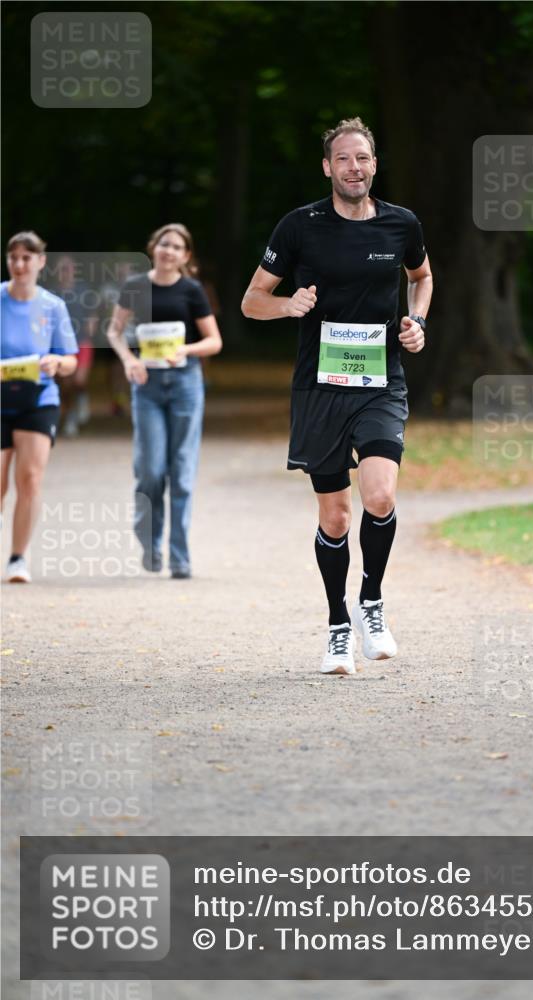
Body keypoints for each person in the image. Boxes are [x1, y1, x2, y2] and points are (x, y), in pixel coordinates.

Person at [241, 117, 432, 675]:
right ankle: (337, 625)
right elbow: (253, 300)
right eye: (343, 159)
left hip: (380, 381)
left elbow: (422, 277)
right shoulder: (299, 227)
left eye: (363, 158)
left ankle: (371, 602)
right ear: (328, 167)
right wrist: (288, 305)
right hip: (320, 386)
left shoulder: (402, 224)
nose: (354, 168)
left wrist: (416, 320)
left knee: (379, 497)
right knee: (336, 517)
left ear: (375, 164)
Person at [106, 223, 222, 578]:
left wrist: (185, 350)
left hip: (186, 384)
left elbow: (213, 341)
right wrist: (129, 360)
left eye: (176, 247)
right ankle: (150, 542)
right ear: (153, 248)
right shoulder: (135, 287)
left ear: (185, 256)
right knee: (151, 472)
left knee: (182, 473)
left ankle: (179, 556)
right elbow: (113, 331)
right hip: (148, 387)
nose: (168, 251)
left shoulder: (192, 290)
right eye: (163, 244)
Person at [1, 231, 79, 582]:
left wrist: (56, 363)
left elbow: (71, 360)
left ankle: (18, 557)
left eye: (26, 258)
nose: (19, 264)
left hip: (39, 400)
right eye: (13, 257)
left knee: (30, 479)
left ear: (40, 262)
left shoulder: (53, 306)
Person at [49, 254, 98, 437]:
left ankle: (82, 399)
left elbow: (93, 313)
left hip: (82, 341)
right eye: (62, 269)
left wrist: (91, 328)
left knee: (79, 380)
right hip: (62, 345)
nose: (66, 272)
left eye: (69, 268)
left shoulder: (83, 290)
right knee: (67, 384)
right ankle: (70, 416)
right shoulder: (52, 294)